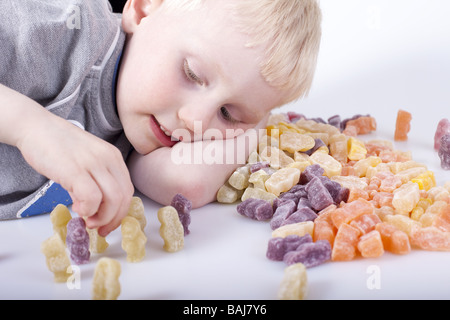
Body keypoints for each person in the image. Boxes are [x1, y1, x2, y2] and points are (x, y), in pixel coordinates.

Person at [0, 0, 321, 236]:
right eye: (191, 74)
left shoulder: (143, 131)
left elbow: (187, 183)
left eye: (228, 114)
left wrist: (257, 121)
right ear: (142, 10)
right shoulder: (58, 26)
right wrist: (32, 127)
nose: (195, 118)